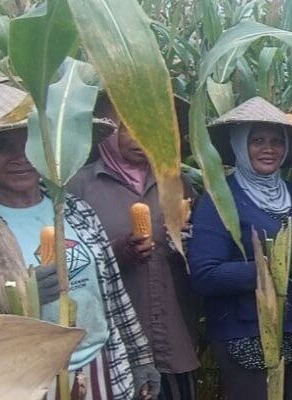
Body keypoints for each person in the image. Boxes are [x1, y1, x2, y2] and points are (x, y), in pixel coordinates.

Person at [0, 84, 161, 400]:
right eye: (2, 146)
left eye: (30, 140)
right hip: (20, 383)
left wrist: (139, 358)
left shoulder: (74, 209)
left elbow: (114, 294)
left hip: (104, 370)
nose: (21, 157)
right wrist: (15, 301)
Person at [185, 97, 292, 400]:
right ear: (240, 146)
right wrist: (273, 266)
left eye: (277, 142)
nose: (269, 148)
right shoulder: (219, 201)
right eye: (257, 141)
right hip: (246, 333)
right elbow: (204, 275)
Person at [66, 94, 199, 400]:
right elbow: (69, 267)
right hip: (114, 341)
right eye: (126, 127)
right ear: (106, 130)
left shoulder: (178, 184)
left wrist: (187, 243)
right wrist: (117, 254)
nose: (139, 137)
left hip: (175, 331)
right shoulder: (79, 188)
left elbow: (202, 258)